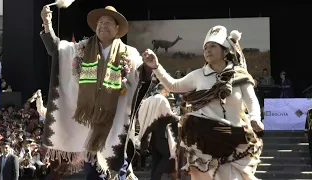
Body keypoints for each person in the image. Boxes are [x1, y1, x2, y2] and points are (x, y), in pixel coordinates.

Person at [40, 5, 152, 180]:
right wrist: (47, 25)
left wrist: (149, 66)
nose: (103, 25)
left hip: (116, 124)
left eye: (108, 22)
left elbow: (142, 78)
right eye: (100, 22)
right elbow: (56, 51)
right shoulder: (82, 50)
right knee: (94, 174)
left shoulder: (130, 54)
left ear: (117, 29)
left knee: (116, 171)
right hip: (90, 126)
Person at [143, 25, 264, 179]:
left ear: (225, 51)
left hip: (235, 138)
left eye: (213, 46)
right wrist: (156, 66)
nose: (208, 50)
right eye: (206, 47)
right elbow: (173, 85)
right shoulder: (198, 75)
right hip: (203, 141)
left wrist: (255, 118)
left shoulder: (239, 75)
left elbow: (252, 100)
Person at [136, 83, 179, 180]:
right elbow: (168, 115)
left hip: (150, 134)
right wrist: (179, 118)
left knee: (156, 159)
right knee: (167, 155)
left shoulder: (147, 100)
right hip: (161, 133)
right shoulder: (162, 99)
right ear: (164, 89)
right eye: (167, 91)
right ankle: (156, 177)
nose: (168, 94)